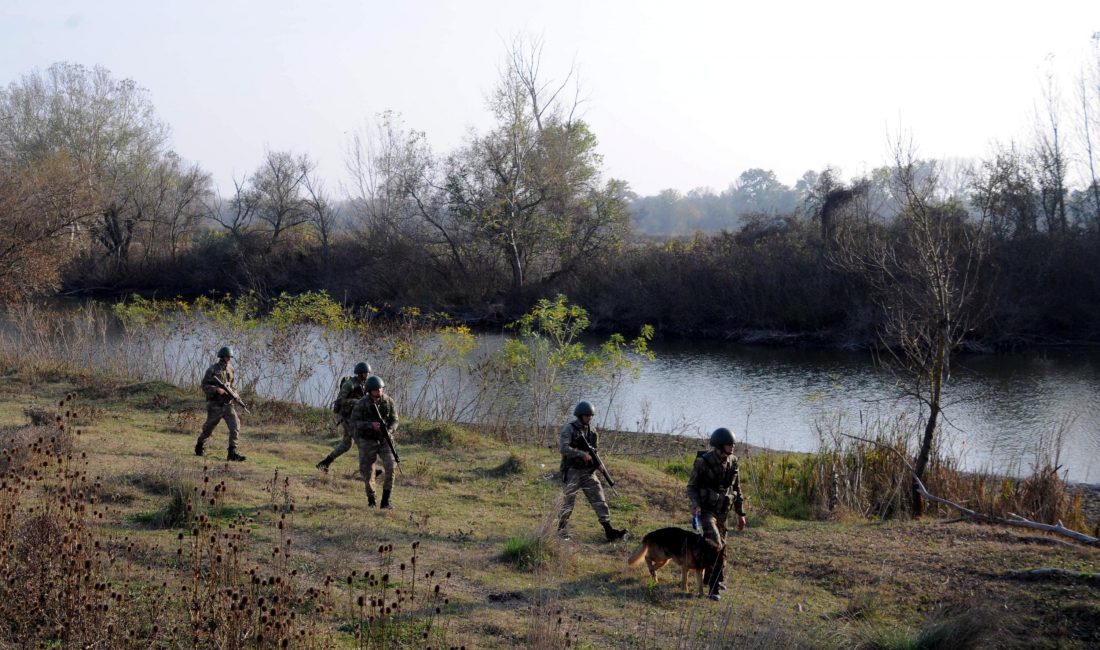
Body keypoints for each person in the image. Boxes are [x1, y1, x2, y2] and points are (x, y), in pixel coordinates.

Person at [686, 427, 747, 601]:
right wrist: (696, 505)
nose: (733, 447)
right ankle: (713, 588)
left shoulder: (733, 462)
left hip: (723, 512)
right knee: (715, 544)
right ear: (720, 445)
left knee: (723, 548)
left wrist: (740, 513)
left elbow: (737, 489)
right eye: (729, 444)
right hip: (707, 511)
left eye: (734, 444)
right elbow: (691, 487)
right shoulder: (703, 462)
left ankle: (713, 578)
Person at [557, 401, 627, 542]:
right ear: (580, 415)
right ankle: (562, 530)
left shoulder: (592, 432)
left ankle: (609, 530)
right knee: (568, 502)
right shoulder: (569, 429)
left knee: (599, 499)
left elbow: (594, 451)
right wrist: (581, 454)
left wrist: (598, 464)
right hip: (572, 471)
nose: (590, 418)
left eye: (591, 415)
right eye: (587, 415)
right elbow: (563, 449)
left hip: (588, 472)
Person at [347, 375, 398, 509]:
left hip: (385, 439)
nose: (379, 392)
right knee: (367, 471)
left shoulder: (388, 401)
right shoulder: (361, 404)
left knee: (391, 466)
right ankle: (371, 499)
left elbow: (395, 420)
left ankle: (386, 501)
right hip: (367, 440)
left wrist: (390, 430)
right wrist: (370, 425)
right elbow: (353, 423)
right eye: (376, 390)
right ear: (370, 390)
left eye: (381, 389)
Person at [316, 361, 372, 472]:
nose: (367, 375)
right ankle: (369, 471)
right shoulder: (349, 384)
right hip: (347, 417)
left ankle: (324, 463)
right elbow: (340, 400)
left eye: (368, 373)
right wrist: (356, 401)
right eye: (366, 373)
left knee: (347, 444)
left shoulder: (364, 384)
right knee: (362, 442)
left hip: (355, 416)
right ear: (360, 373)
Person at [195, 346, 246, 462]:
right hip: (215, 405)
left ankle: (232, 453)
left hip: (228, 405)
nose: (229, 359)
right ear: (222, 357)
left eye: (230, 357)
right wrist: (216, 389)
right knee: (208, 429)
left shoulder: (231, 369)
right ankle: (200, 445)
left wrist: (236, 395)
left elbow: (232, 385)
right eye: (227, 357)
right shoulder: (212, 370)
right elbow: (204, 386)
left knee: (235, 426)